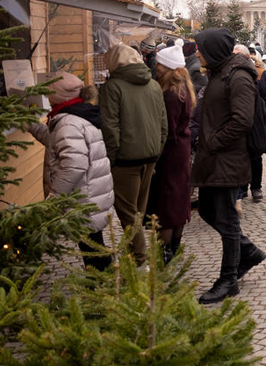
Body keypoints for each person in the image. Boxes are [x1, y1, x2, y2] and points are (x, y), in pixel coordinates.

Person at [191, 28, 266, 304]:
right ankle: (248, 253)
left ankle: (228, 279)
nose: (197, 53)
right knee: (209, 210)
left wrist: (213, 141)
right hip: (215, 156)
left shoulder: (238, 77)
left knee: (227, 219)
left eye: (201, 48)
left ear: (213, 51)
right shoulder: (220, 72)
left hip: (228, 158)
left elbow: (242, 120)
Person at [29, 71, 114, 270]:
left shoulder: (68, 122)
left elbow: (74, 164)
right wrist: (30, 124)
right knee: (93, 244)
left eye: (49, 94)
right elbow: (55, 144)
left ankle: (105, 286)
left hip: (84, 198)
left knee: (92, 249)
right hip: (90, 195)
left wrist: (56, 196)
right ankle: (105, 284)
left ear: (57, 96)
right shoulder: (76, 115)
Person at [99, 43, 168, 266]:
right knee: (137, 212)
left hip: (125, 160)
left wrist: (111, 161)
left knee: (129, 214)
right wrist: (156, 153)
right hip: (149, 156)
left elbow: (110, 128)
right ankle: (136, 258)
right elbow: (163, 125)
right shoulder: (154, 85)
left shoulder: (112, 87)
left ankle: (139, 262)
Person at [151, 45, 195, 263]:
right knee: (177, 198)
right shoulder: (183, 88)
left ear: (167, 67)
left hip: (171, 152)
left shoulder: (170, 93)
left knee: (169, 202)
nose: (156, 67)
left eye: (159, 63)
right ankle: (173, 246)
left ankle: (166, 250)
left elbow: (167, 128)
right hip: (180, 149)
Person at [246, 51, 266, 202]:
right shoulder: (234, 74)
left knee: (255, 156)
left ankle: (255, 186)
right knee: (239, 156)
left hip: (257, 123)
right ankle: (241, 187)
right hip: (240, 122)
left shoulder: (261, 74)